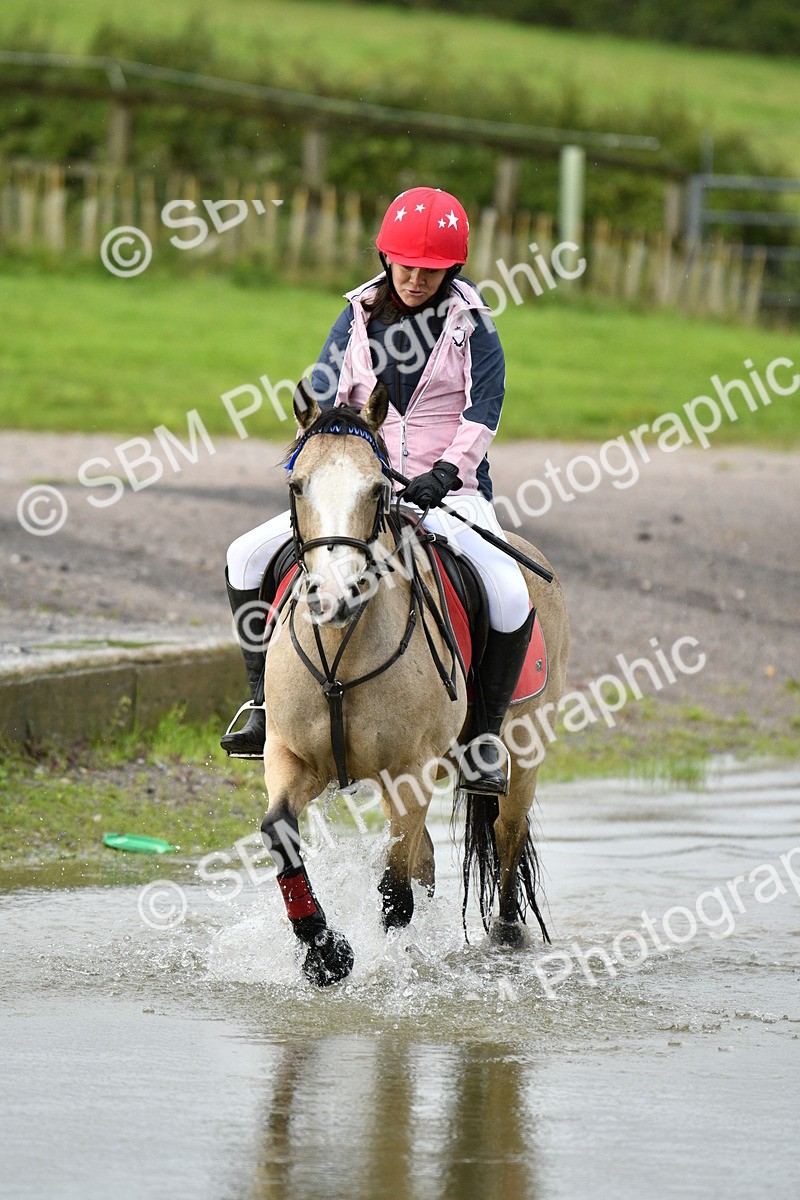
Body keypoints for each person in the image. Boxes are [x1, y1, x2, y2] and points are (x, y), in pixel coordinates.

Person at [222, 185, 534, 795]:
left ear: (453, 269)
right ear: (386, 257)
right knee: (243, 556)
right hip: (360, 486)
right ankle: (262, 705)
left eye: (431, 270)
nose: (416, 279)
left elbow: (484, 412)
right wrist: (331, 459)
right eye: (406, 266)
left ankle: (481, 740)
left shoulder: (474, 325)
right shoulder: (357, 315)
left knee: (509, 591)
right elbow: (323, 396)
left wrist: (445, 474)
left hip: (451, 492)